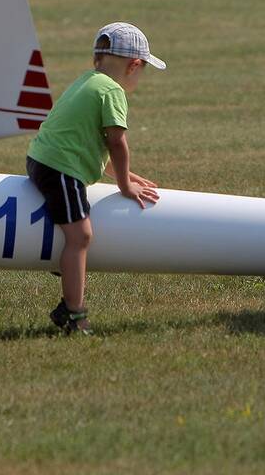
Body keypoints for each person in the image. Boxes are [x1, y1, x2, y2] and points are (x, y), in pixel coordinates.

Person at [26, 22, 166, 334]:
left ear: (96, 59)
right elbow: (115, 141)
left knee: (78, 234)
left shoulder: (88, 81)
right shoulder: (112, 91)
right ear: (134, 65)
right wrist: (125, 186)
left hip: (43, 160)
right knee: (81, 237)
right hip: (59, 168)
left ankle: (68, 292)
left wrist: (125, 174)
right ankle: (74, 314)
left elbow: (86, 144)